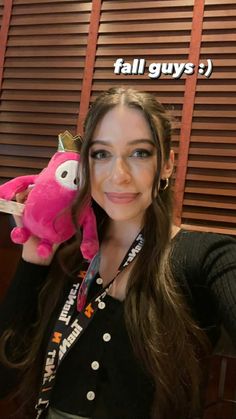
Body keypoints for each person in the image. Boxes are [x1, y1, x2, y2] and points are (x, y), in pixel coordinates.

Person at [0, 87, 236, 419]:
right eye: (101, 154)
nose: (118, 175)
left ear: (167, 164)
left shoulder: (204, 258)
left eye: (140, 153)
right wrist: (33, 262)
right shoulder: (67, 252)